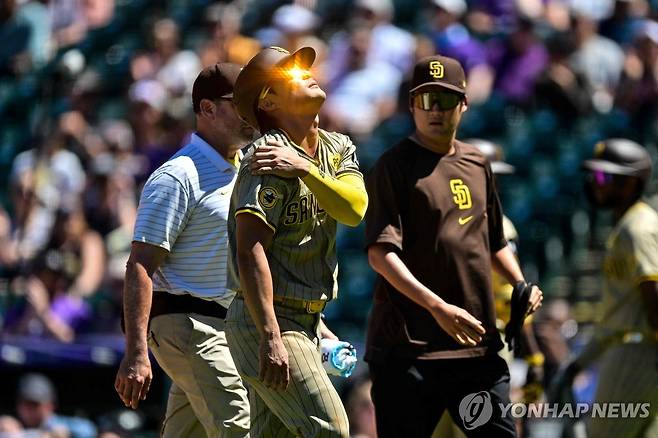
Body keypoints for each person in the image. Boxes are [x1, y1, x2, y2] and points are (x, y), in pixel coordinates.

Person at [364, 55, 542, 438]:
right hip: (408, 349)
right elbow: (380, 254)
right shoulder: (392, 166)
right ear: (411, 105)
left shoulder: (478, 163)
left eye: (446, 101)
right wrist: (437, 307)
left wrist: (519, 283)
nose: (436, 111)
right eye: (426, 100)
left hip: (474, 351)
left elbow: (494, 241)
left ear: (463, 104)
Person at [225, 46, 368, 437]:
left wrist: (306, 169)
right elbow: (249, 250)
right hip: (269, 321)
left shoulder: (336, 147)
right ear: (268, 101)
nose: (305, 73)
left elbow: (355, 209)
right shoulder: (266, 158)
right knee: (332, 429)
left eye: (303, 67)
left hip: (305, 319)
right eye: (288, 73)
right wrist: (270, 335)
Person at [114, 63, 252, 438]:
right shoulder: (178, 175)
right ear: (207, 109)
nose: (252, 111)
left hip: (224, 326)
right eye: (240, 102)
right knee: (239, 425)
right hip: (186, 323)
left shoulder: (246, 169)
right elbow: (140, 266)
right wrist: (136, 352)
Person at [554, 139, 658, 437]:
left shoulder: (638, 228)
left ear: (631, 183)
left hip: (638, 350)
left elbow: (654, 292)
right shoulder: (628, 224)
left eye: (604, 176)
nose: (595, 183)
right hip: (630, 346)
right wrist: (579, 362)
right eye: (594, 176)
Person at [15, 373, 97, 438]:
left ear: (50, 405)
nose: (29, 410)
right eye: (25, 404)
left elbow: (88, 429)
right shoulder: (14, 426)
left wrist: (66, 432)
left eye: (34, 404)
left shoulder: (57, 424)